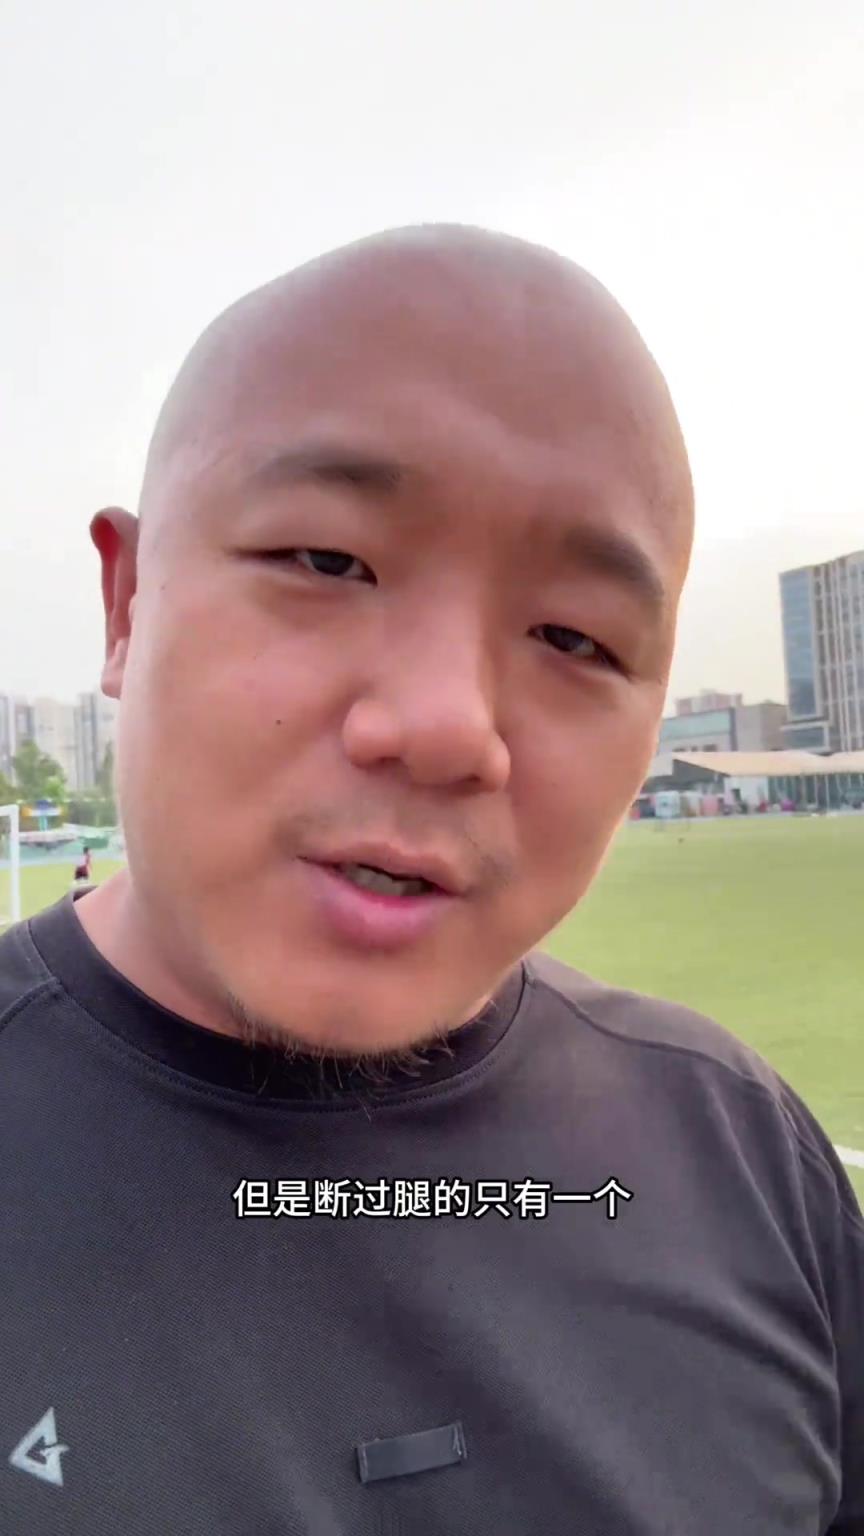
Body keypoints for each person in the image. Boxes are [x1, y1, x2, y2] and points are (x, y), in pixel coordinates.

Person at [0, 226, 860, 1535]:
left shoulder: (744, 1151)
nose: (451, 727)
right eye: (326, 562)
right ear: (126, 608)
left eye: (574, 636)